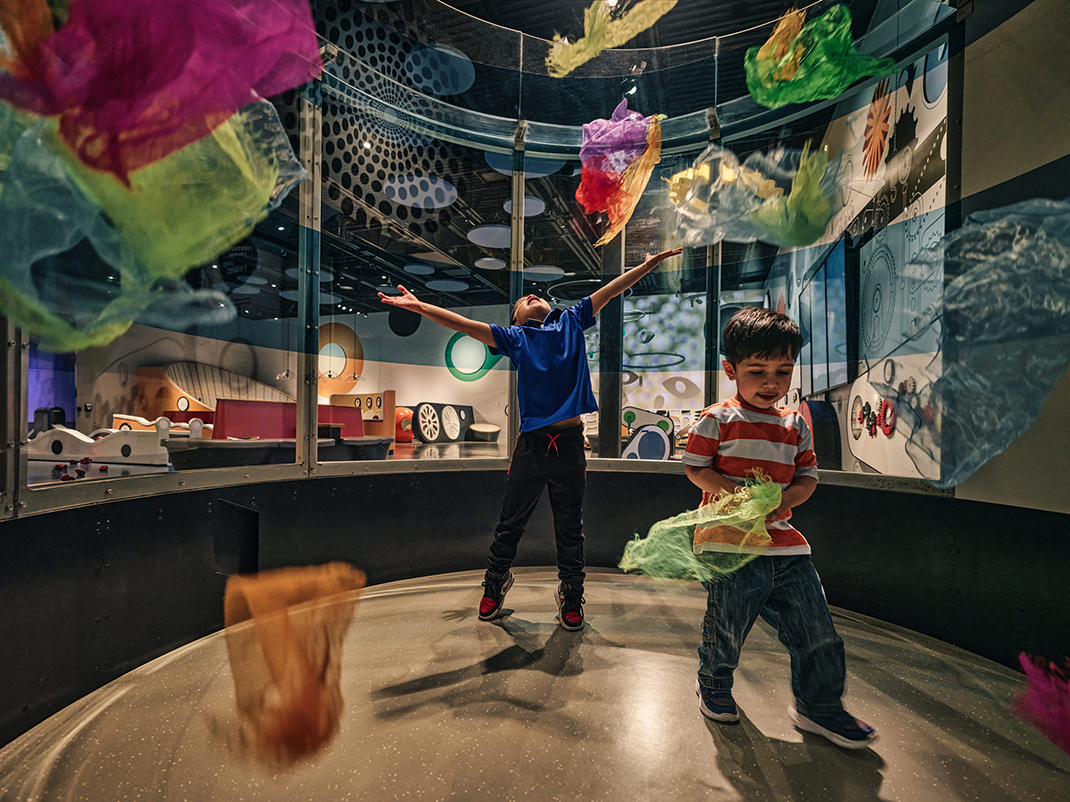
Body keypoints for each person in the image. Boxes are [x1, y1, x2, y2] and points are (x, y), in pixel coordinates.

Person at [379, 248, 680, 630]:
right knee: (510, 522)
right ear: (516, 319)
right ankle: (495, 582)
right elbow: (462, 324)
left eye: (535, 296)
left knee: (571, 526)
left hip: (570, 445)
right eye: (523, 301)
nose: (531, 297)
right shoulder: (515, 338)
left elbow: (612, 288)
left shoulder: (571, 319)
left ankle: (571, 593)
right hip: (533, 447)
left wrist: (648, 264)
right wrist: (420, 306)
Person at [682, 306, 877, 749]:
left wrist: (785, 501)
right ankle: (713, 682)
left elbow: (808, 476)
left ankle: (820, 707)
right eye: (757, 371)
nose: (771, 383)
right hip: (730, 544)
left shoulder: (795, 424)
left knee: (818, 632)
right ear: (731, 370)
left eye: (782, 371)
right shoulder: (718, 419)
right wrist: (733, 495)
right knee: (727, 626)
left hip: (788, 549)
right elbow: (695, 468)